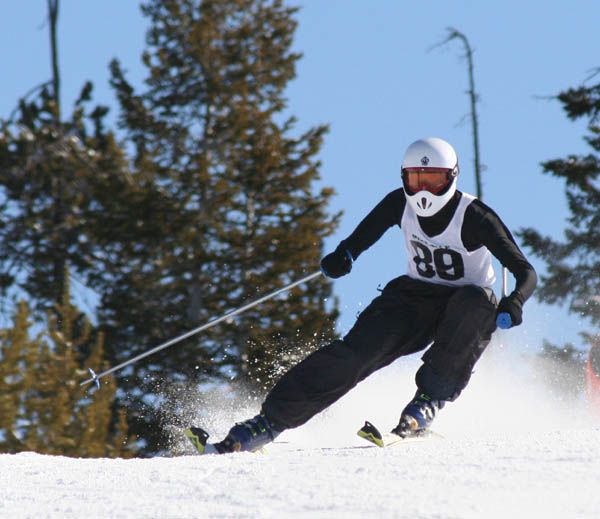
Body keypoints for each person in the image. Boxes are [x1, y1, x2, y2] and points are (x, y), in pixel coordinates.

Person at [185, 137, 537, 454]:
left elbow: (525, 271)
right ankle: (268, 422)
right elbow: (362, 236)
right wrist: (344, 256)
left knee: (477, 302)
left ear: (452, 178)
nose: (424, 191)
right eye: (416, 180)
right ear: (404, 179)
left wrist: (515, 300)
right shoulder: (400, 203)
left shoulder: (474, 217)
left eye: (434, 180)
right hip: (414, 300)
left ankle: (427, 401)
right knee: (353, 355)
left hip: (465, 306)